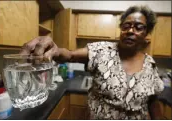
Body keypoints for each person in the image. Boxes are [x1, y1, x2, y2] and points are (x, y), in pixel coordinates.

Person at [20, 5, 164, 120]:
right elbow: (69, 55)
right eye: (126, 26)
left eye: (139, 27)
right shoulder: (102, 50)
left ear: (146, 33)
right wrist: (55, 50)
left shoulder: (150, 64)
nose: (130, 31)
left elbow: (152, 101)